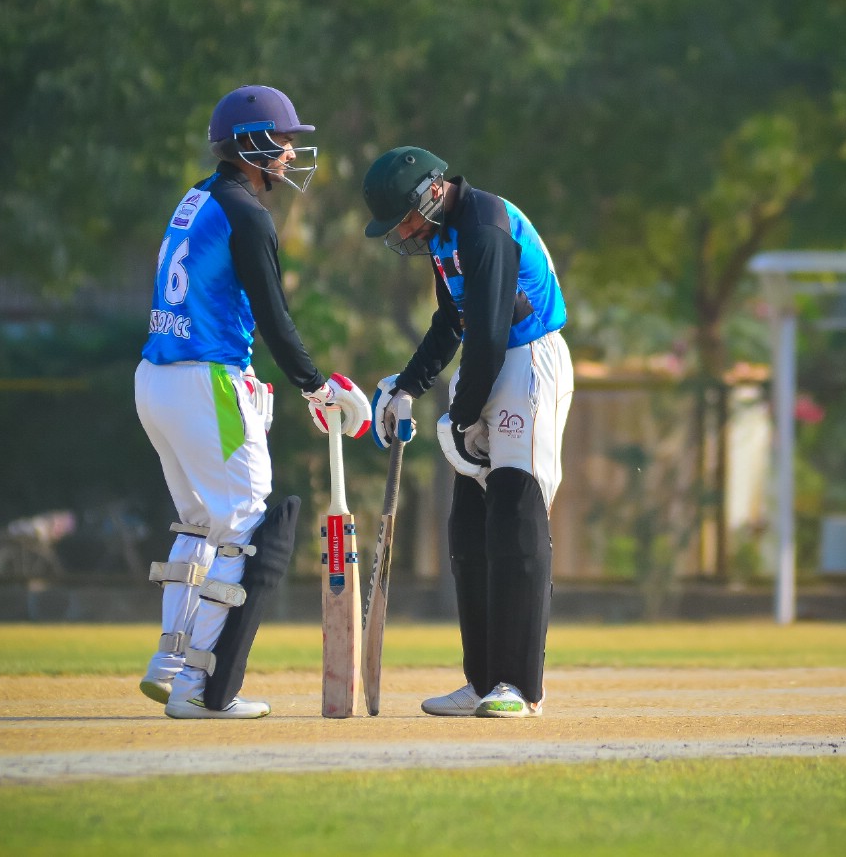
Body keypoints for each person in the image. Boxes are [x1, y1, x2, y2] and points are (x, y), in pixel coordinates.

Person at [134, 84, 371, 719]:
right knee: (241, 523)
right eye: (284, 140)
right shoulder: (248, 214)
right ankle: (198, 688)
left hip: (155, 378)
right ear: (252, 144)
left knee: (199, 521)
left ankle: (171, 661)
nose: (291, 153)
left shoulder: (197, 196)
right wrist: (315, 385)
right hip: (206, 380)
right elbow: (273, 315)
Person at [360, 146, 573, 718]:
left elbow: (491, 332)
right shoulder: (443, 237)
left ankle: (520, 687)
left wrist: (460, 415)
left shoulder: (484, 227)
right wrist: (408, 385)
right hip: (488, 363)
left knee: (515, 512)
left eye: (405, 218)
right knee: (469, 526)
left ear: (432, 191)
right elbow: (452, 322)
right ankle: (482, 681)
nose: (404, 232)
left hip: (529, 363)